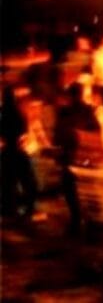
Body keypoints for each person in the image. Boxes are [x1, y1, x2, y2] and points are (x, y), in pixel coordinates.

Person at [52, 82, 100, 235]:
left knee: (71, 189)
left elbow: (57, 136)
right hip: (86, 157)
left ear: (70, 95)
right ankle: (91, 222)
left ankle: (76, 220)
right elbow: (97, 133)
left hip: (70, 157)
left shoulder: (64, 113)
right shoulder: (89, 111)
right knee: (88, 189)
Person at [1, 86, 40, 220]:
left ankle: (9, 209)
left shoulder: (2, 113)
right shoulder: (18, 114)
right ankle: (28, 209)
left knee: (8, 182)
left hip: (6, 153)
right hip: (17, 152)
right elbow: (24, 134)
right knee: (29, 182)